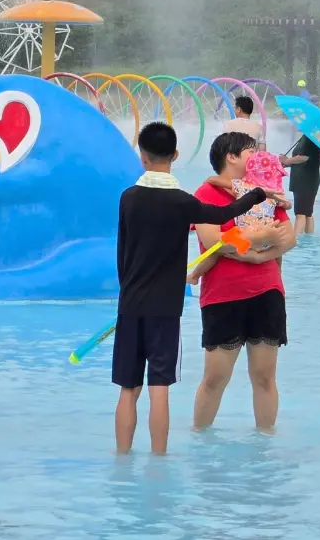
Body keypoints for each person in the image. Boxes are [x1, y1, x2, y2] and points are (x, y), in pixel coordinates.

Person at [113, 122, 272, 455]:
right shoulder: (183, 203)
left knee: (128, 390)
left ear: (142, 157)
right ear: (176, 155)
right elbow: (225, 212)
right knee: (159, 388)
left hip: (131, 304)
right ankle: (158, 458)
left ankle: (122, 456)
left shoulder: (128, 199)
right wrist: (257, 193)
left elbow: (122, 255)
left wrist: (127, 293)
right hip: (166, 309)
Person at [191, 132, 296, 433]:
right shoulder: (206, 195)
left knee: (264, 377)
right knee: (215, 379)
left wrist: (258, 258)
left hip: (267, 292)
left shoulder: (265, 192)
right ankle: (200, 438)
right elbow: (213, 241)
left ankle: (266, 441)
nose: (259, 156)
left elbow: (289, 238)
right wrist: (258, 239)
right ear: (231, 157)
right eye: (251, 151)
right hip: (223, 296)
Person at [204, 148, 290, 248]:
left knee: (214, 254)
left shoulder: (242, 186)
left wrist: (208, 181)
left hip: (245, 235)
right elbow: (287, 205)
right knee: (277, 246)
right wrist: (284, 203)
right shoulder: (274, 194)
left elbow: (215, 180)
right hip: (267, 240)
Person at [289, 132, 320, 235]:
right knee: (307, 213)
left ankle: (296, 243)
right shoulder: (309, 136)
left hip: (304, 180)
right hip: (308, 179)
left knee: (300, 213)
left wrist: (287, 160)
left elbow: (304, 157)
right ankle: (308, 241)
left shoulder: (309, 137)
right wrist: (286, 163)